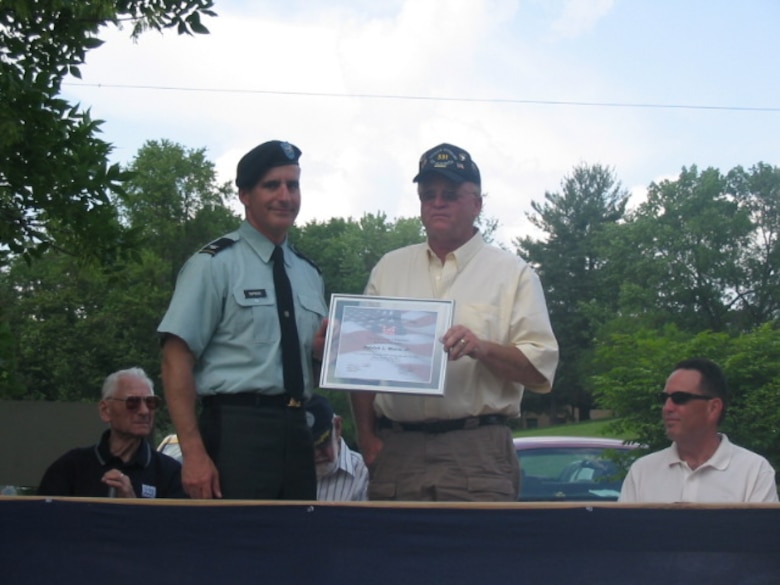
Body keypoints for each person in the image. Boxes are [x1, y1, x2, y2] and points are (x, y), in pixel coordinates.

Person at [350, 143, 559, 502]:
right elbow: (360, 362)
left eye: (450, 194)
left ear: (477, 204)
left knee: (479, 558)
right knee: (395, 558)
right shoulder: (389, 269)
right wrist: (367, 437)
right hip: (398, 449)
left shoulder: (513, 274)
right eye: (428, 194)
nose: (437, 202)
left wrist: (482, 348)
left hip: (477, 450)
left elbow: (539, 372)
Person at [158, 140, 328, 500]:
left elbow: (306, 371)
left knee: (293, 547)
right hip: (236, 430)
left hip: (299, 430)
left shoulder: (308, 273)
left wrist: (316, 354)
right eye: (272, 185)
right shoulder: (214, 264)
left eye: (293, 185)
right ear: (245, 194)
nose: (285, 196)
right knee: (233, 547)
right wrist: (193, 453)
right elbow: (175, 360)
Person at [619, 358, 778, 503]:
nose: (667, 407)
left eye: (679, 398)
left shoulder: (754, 471)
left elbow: (760, 534)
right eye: (664, 398)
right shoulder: (642, 472)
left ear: (713, 408)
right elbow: (623, 533)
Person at [37, 367, 185, 498]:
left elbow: (175, 528)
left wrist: (133, 505)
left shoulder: (170, 474)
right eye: (132, 402)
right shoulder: (70, 468)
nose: (144, 411)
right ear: (105, 410)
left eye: (151, 402)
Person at [305, 394, 368, 501]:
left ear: (338, 427)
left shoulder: (364, 473)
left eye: (322, 443)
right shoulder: (284, 472)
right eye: (306, 448)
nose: (316, 454)